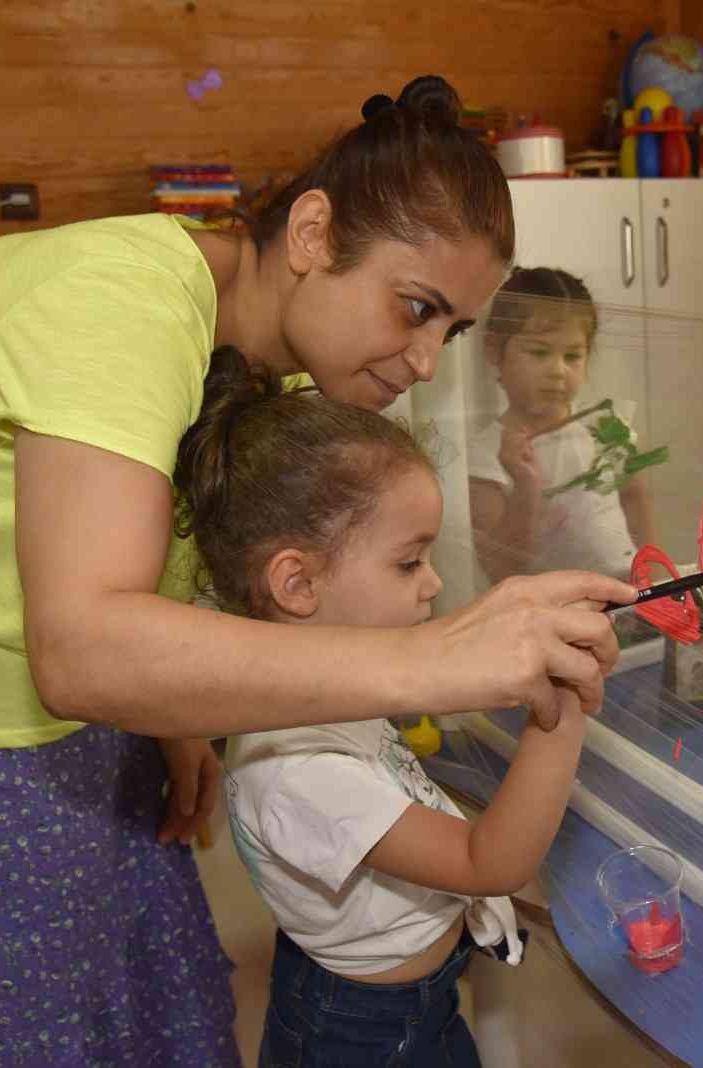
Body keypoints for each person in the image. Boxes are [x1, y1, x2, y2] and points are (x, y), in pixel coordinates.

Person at [0, 75, 631, 1066]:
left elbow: (150, 577)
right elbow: (83, 647)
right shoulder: (113, 301)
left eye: (449, 330)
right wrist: (434, 659)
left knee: (135, 1008)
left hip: (59, 720)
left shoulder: (277, 368)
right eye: (414, 309)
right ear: (315, 234)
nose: (424, 360)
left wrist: (175, 716)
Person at [183, 354, 581, 1066]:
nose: (432, 584)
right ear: (297, 582)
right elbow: (488, 860)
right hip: (366, 1033)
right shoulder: (298, 769)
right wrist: (565, 712)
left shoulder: (320, 688)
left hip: (410, 994)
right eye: (408, 562)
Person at [467, 267, 654, 582]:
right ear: (493, 350)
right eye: (539, 353)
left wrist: (653, 571)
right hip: (549, 616)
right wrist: (526, 487)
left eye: (572, 356)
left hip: (625, 597)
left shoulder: (606, 428)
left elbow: (635, 498)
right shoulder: (486, 454)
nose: (558, 371)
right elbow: (500, 568)